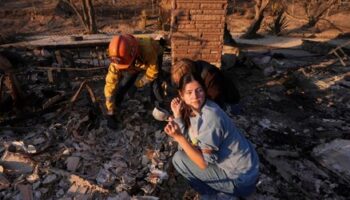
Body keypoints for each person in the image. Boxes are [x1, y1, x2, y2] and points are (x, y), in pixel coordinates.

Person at [164, 73, 259, 199]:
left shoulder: (210, 118)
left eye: (199, 91)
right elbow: (188, 145)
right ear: (181, 95)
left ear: (204, 91)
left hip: (240, 180)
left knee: (179, 159)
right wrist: (178, 116)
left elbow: (203, 163)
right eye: (189, 92)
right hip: (244, 172)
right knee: (182, 155)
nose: (195, 96)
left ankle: (213, 195)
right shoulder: (196, 110)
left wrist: (179, 137)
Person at [104, 34, 164, 129]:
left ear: (134, 52)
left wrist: (138, 85)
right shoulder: (117, 60)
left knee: (155, 86)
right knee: (125, 82)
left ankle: (160, 112)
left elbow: (152, 73)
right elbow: (110, 84)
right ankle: (116, 106)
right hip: (133, 61)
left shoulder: (147, 49)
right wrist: (110, 110)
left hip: (154, 56)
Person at [170, 58, 240, 113]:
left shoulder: (210, 76)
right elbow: (179, 87)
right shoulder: (194, 68)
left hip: (228, 102)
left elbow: (214, 101)